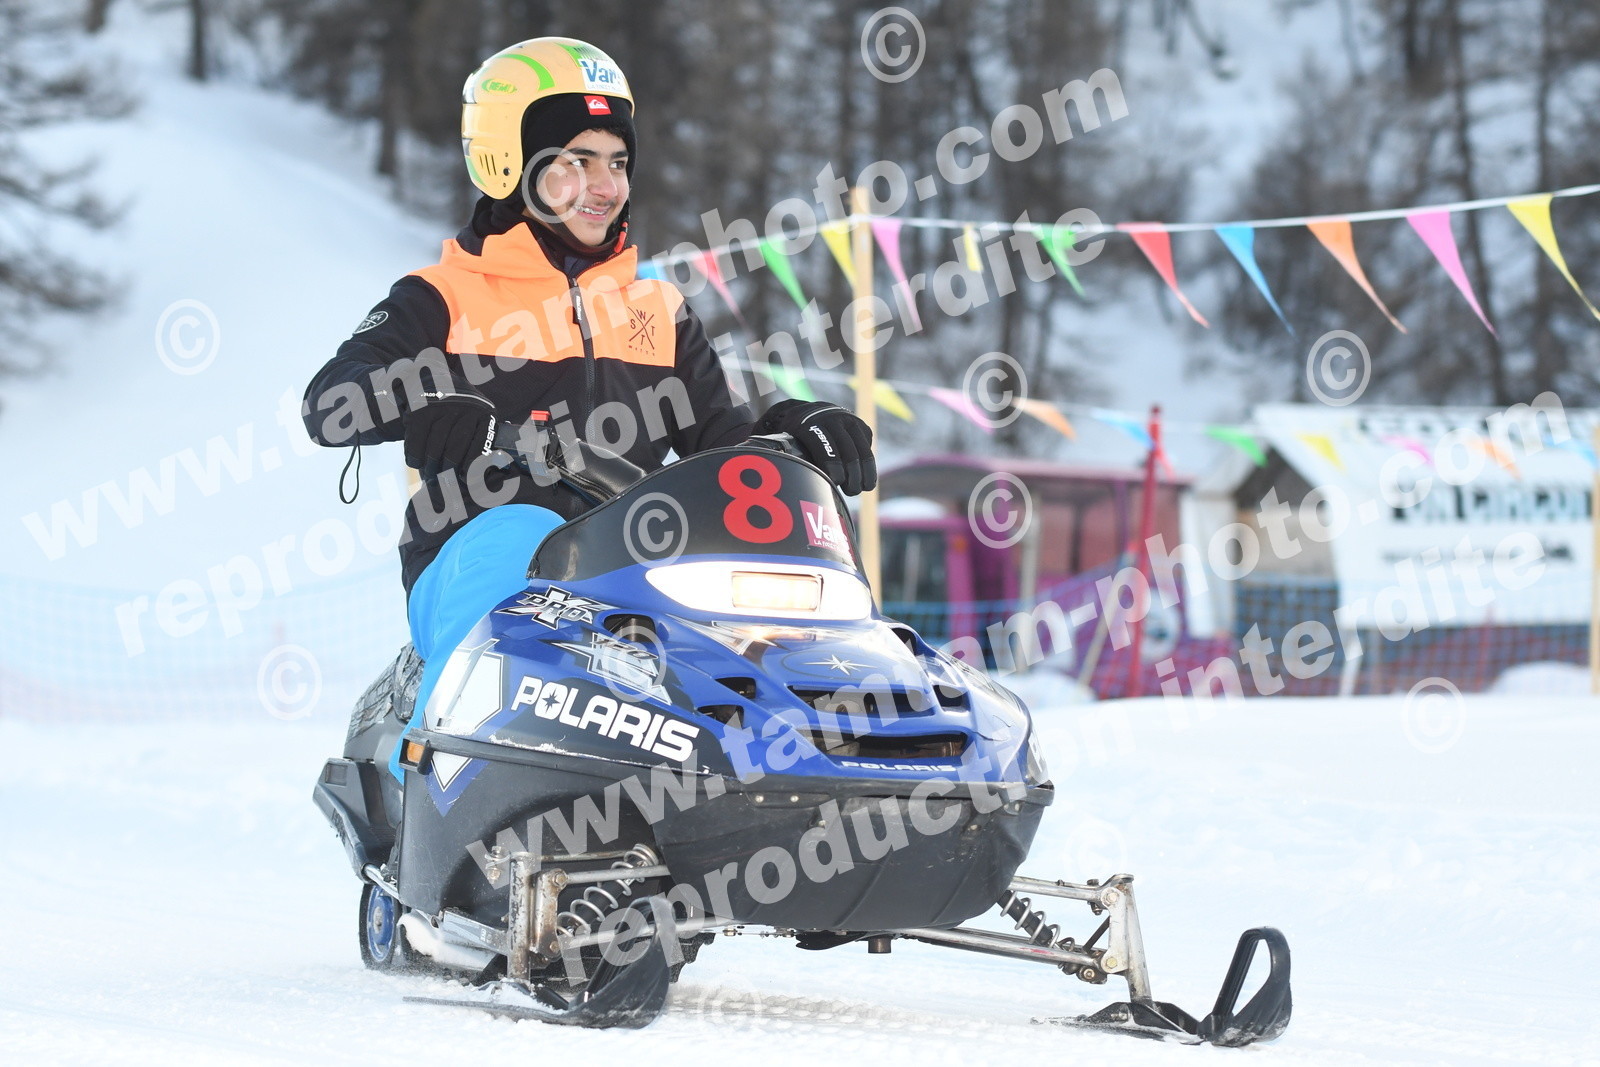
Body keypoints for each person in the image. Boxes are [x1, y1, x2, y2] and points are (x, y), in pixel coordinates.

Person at [301, 37, 875, 706]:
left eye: (617, 162)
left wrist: (790, 435)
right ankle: (450, 746)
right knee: (517, 536)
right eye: (576, 162)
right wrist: (425, 402)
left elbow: (722, 453)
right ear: (508, 165)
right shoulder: (443, 295)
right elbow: (330, 402)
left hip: (633, 572)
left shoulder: (657, 310)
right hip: (482, 556)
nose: (605, 187)